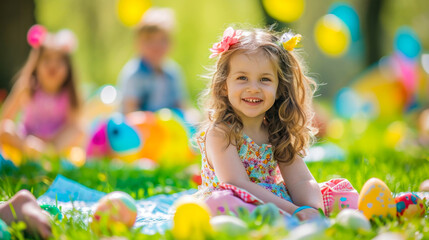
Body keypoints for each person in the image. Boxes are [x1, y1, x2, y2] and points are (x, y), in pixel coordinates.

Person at [193, 27, 358, 221]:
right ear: (224, 85)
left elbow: (301, 180)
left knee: (340, 193)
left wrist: (312, 209)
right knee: (219, 203)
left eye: (264, 79)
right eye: (242, 78)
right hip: (238, 201)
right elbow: (237, 184)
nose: (253, 88)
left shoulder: (276, 132)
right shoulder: (221, 133)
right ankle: (283, 218)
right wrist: (293, 210)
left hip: (275, 201)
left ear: (279, 88)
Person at [0, 25, 83, 159]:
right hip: (27, 140)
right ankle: (36, 154)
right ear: (36, 64)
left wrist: (52, 143)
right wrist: (26, 142)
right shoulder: (27, 86)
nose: (53, 65)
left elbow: (73, 125)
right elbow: (6, 117)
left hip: (54, 143)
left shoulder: (68, 94)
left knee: (79, 130)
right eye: (47, 59)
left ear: (68, 68)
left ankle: (47, 154)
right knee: (4, 129)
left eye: (60, 61)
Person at [118, 7, 188, 114]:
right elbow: (129, 113)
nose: (156, 46)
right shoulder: (134, 74)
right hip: (141, 128)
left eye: (162, 40)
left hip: (169, 126)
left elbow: (182, 106)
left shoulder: (172, 73)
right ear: (138, 43)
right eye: (149, 40)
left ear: (171, 43)